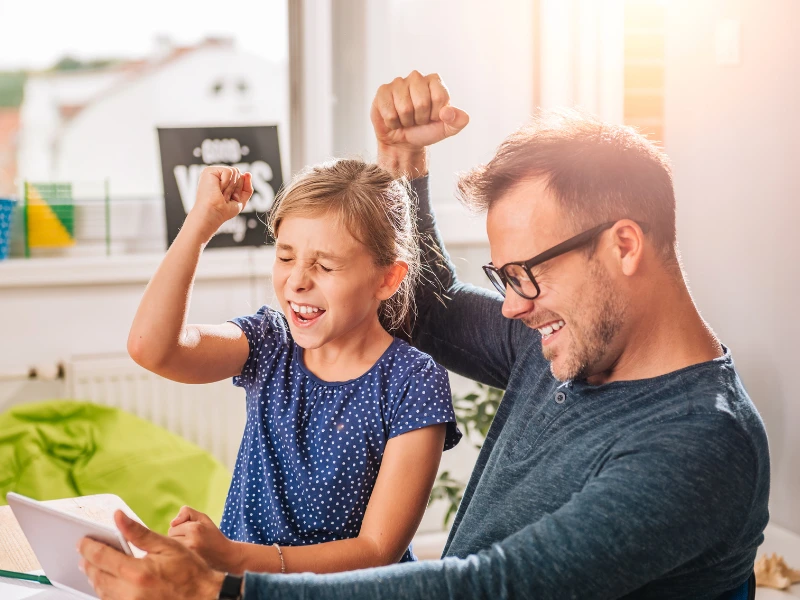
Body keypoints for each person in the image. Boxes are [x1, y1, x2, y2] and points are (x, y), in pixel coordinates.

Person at [79, 71, 769, 600]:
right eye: (505, 278)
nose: (510, 309)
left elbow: (492, 586)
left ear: (623, 245)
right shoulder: (561, 342)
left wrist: (223, 587)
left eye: (526, 274)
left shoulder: (701, 442)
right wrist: (403, 163)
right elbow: (425, 307)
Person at [124, 159, 460, 576]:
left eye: (325, 265)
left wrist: (235, 558)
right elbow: (152, 348)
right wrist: (200, 224)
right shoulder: (270, 341)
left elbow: (377, 550)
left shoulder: (413, 381)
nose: (297, 281)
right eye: (285, 257)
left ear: (387, 279)